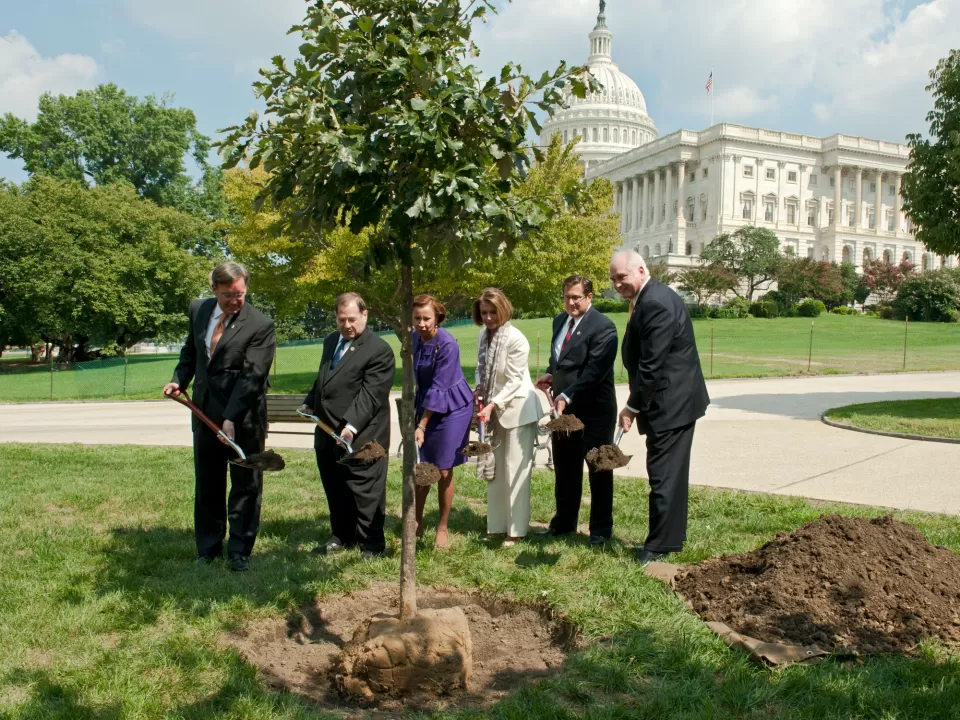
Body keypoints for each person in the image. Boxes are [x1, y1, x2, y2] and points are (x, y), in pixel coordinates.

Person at [163, 262, 276, 572]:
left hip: (243, 418)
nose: (234, 301)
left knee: (245, 485)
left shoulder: (260, 325)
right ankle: (208, 547)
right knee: (209, 484)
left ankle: (239, 550)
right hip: (204, 413)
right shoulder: (198, 310)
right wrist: (179, 380)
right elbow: (192, 352)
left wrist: (231, 417)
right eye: (228, 295)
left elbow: (253, 378)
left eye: (240, 294)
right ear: (213, 289)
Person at [609, 250, 710, 565]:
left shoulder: (655, 302)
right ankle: (670, 539)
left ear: (640, 270)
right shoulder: (649, 296)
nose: (617, 284)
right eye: (613, 279)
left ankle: (658, 547)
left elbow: (652, 365)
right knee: (670, 474)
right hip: (672, 400)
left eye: (621, 277)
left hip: (671, 403)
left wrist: (631, 407)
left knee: (663, 475)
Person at [300, 292, 395, 560]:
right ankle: (341, 536)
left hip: (363, 433)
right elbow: (324, 378)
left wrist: (351, 426)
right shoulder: (331, 340)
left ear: (365, 315)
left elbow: (371, 394)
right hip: (327, 431)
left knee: (366, 490)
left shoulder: (379, 350)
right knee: (335, 486)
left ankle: (371, 545)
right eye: (342, 320)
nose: (347, 325)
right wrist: (310, 402)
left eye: (352, 319)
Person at [535, 275, 618, 546]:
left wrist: (567, 395)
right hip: (564, 413)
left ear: (590, 297)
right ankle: (564, 523)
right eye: (567, 297)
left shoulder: (604, 327)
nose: (571, 302)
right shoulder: (560, 321)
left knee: (598, 469)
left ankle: (600, 531)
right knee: (566, 467)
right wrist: (550, 373)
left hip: (594, 411)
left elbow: (595, 371)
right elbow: (559, 358)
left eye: (576, 297)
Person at [474, 288, 550, 546]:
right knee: (495, 473)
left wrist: (493, 404)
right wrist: (479, 393)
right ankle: (496, 526)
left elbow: (516, 380)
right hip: (494, 412)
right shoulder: (483, 336)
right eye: (483, 312)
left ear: (503, 309)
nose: (488, 317)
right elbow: (480, 370)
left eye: (492, 311)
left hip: (518, 410)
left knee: (516, 471)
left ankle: (516, 531)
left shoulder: (516, 338)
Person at [412, 294, 473, 550]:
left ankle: (443, 526)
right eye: (417, 318)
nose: (422, 323)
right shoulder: (413, 338)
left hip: (453, 408)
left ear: (437, 317)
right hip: (426, 404)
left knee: (444, 469)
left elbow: (439, 387)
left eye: (427, 318)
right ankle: (415, 521)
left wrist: (422, 425)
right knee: (424, 467)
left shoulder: (447, 343)